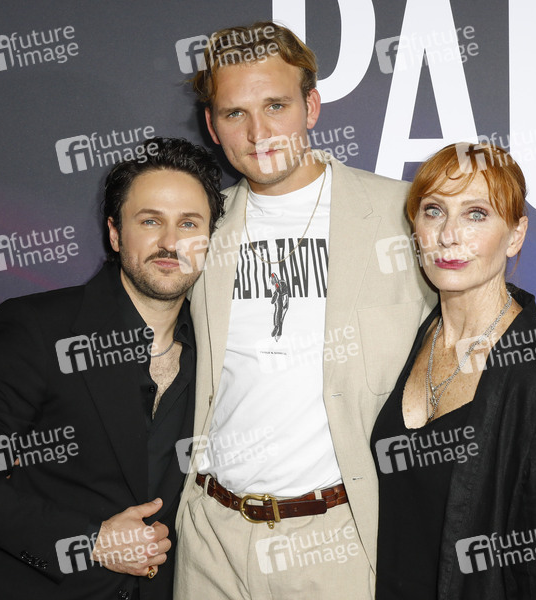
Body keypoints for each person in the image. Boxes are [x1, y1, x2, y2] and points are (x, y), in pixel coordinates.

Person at [174, 21, 434, 599]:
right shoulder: (199, 224)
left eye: (276, 106)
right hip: (210, 540)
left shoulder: (402, 214)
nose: (259, 132)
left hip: (339, 541)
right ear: (212, 126)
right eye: (235, 113)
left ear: (310, 107)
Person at [0, 137, 225, 600]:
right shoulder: (37, 328)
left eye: (188, 223)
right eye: (150, 221)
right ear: (115, 233)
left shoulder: (219, 347)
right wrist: (91, 541)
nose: (171, 242)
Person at [370, 142, 536, 599]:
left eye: (476, 214)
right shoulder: (408, 339)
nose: (449, 235)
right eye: (434, 211)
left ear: (515, 235)